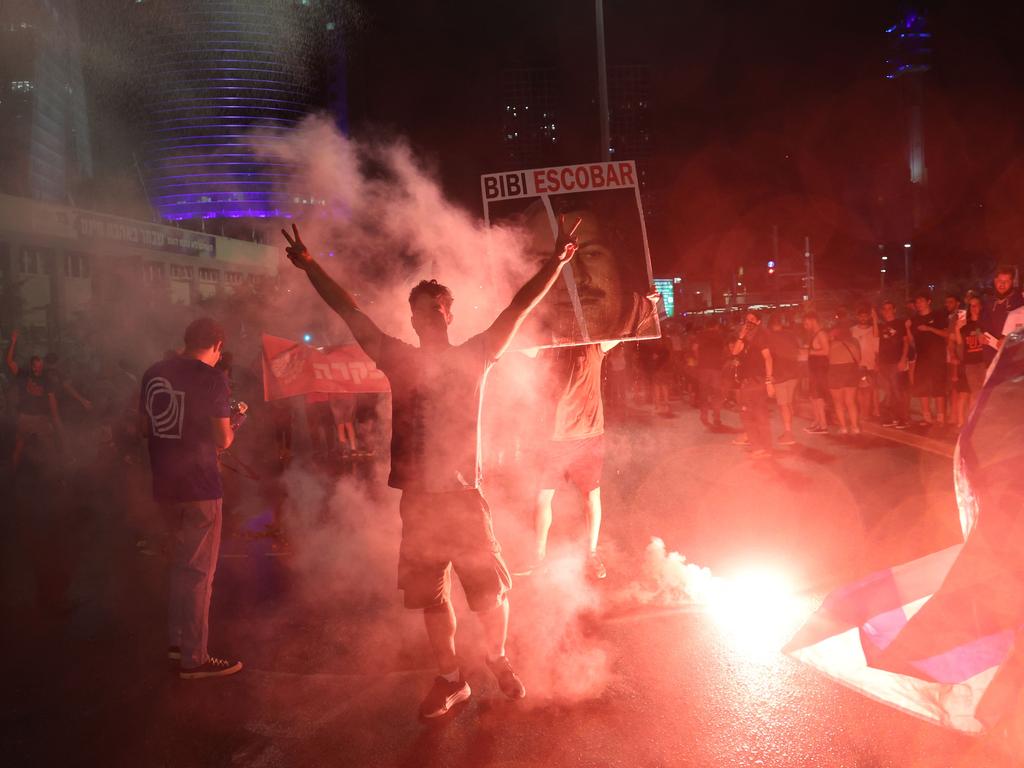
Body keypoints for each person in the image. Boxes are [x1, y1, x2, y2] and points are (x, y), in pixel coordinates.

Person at [282, 219, 581, 719]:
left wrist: (555, 261)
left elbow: (518, 306)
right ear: (414, 320)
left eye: (435, 306)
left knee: (488, 594)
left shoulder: (477, 354)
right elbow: (348, 309)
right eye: (419, 309)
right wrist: (311, 266)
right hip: (419, 500)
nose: (427, 314)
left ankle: (497, 658)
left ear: (448, 314)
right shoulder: (397, 358)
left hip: (464, 497)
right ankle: (450, 679)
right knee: (431, 597)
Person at [139, 317, 245, 680]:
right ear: (216, 346)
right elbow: (223, 440)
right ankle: (194, 659)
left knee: (179, 567)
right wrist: (236, 420)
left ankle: (177, 641)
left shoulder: (154, 372)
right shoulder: (213, 378)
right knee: (198, 572)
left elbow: (143, 425)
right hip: (199, 487)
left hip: (164, 485)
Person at [527, 342, 619, 581]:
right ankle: (538, 555)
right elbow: (518, 345)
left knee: (592, 495)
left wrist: (650, 303)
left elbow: (627, 331)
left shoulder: (594, 346)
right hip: (554, 437)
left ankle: (591, 553)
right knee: (543, 496)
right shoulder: (548, 345)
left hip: (588, 436)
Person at [6, 330, 61, 472]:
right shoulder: (23, 374)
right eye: (36, 365)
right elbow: (10, 362)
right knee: (19, 445)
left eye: (41, 365)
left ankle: (55, 475)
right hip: (25, 417)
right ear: (32, 366)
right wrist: (13, 342)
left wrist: (55, 419)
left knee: (50, 445)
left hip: (41, 418)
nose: (39, 367)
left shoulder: (47, 379)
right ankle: (12, 474)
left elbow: (52, 400)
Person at [730, 311, 774, 458]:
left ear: (758, 322)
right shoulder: (745, 339)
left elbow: (768, 358)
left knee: (757, 416)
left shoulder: (761, 337)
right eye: (746, 320)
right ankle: (760, 447)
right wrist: (741, 336)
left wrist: (769, 381)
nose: (748, 323)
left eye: (752, 320)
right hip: (746, 382)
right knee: (748, 415)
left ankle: (762, 448)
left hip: (757, 381)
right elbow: (735, 352)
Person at [907, 291, 949, 427]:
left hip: (937, 357)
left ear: (928, 301)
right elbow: (912, 342)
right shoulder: (914, 319)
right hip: (922, 358)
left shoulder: (938, 315)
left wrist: (929, 328)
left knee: (938, 387)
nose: (918, 304)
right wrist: (907, 329)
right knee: (922, 387)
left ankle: (941, 418)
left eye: (921, 301)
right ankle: (926, 417)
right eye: (917, 302)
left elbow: (946, 334)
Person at [876, 301, 910, 429]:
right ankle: (891, 417)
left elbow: (906, 342)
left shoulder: (900, 323)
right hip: (884, 362)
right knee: (887, 391)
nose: (887, 311)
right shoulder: (881, 326)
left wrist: (903, 359)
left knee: (897, 391)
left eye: (889, 308)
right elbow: (878, 344)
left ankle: (903, 418)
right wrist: (878, 362)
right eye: (884, 309)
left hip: (896, 361)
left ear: (894, 309)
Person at [766, 313, 799, 445]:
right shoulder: (791, 335)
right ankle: (789, 429)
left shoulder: (770, 338)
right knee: (789, 403)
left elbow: (769, 358)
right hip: (794, 373)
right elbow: (797, 351)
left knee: (783, 404)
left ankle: (788, 432)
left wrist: (769, 377)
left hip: (780, 375)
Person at [979, 266, 1023, 363]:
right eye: (999, 280)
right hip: (990, 359)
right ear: (995, 281)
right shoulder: (987, 302)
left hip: (1012, 359)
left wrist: (1009, 339)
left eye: (1006, 281)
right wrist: (980, 335)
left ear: (1012, 282)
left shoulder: (1019, 301)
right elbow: (979, 326)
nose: (1002, 284)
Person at [952, 295, 986, 420]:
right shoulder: (966, 325)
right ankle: (972, 422)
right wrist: (957, 328)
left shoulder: (985, 323)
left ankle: (975, 421)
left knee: (982, 393)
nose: (974, 308)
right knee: (975, 392)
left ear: (981, 307)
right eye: (971, 306)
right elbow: (960, 344)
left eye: (976, 305)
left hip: (984, 362)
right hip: (970, 363)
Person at [828, 315, 862, 435]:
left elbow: (826, 358)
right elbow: (858, 358)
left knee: (838, 402)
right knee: (850, 401)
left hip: (835, 371)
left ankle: (843, 427)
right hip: (850, 370)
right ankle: (855, 427)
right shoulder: (853, 342)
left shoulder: (831, 344)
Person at [694, 319, 726, 428]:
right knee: (716, 394)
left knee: (704, 393)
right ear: (716, 326)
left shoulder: (700, 335)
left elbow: (695, 348)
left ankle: (704, 416)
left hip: (703, 368)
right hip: (716, 368)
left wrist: (699, 359)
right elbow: (724, 351)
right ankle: (717, 417)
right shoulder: (720, 335)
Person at [851, 304, 880, 422]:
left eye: (865, 316)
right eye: (861, 316)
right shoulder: (852, 330)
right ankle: (863, 412)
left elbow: (877, 346)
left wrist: (875, 319)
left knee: (869, 390)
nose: (863, 318)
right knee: (858, 390)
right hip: (856, 365)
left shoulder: (873, 329)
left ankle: (866, 413)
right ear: (857, 317)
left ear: (868, 317)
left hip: (870, 364)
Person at [802, 312, 829, 434]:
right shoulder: (815, 334)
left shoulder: (821, 334)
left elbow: (826, 351)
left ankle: (823, 426)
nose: (805, 326)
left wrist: (809, 352)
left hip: (820, 370)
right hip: (814, 370)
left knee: (818, 397)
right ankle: (817, 422)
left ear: (813, 320)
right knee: (813, 397)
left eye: (806, 322)